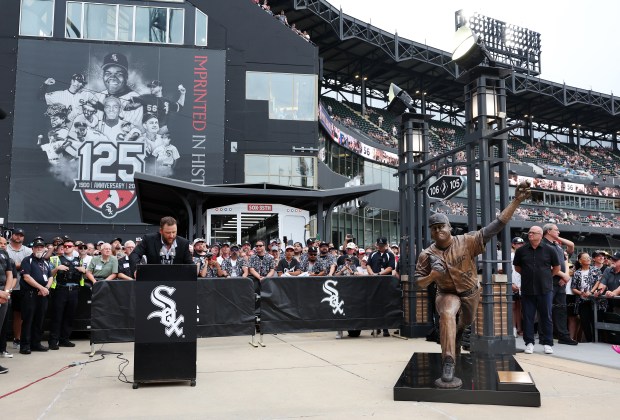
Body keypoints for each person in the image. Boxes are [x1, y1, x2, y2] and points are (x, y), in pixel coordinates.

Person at [416, 181, 531, 384]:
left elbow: (496, 226)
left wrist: (516, 201)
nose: (437, 231)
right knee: (447, 314)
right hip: (446, 292)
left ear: (449, 227)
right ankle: (448, 361)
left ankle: (459, 332)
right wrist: (433, 276)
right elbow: (419, 284)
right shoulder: (426, 254)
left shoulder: (467, 241)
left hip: (470, 292)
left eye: (441, 226)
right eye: (433, 228)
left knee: (465, 322)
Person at [513, 225, 561, 355]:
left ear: (540, 235)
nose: (530, 235)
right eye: (529, 232)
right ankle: (529, 343)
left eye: (533, 233)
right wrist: (530, 274)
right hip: (527, 289)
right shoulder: (521, 251)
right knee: (528, 317)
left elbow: (556, 267)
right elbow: (517, 267)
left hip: (545, 288)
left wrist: (546, 276)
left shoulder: (550, 250)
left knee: (546, 316)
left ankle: (547, 343)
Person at [542, 223, 578, 345]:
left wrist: (566, 277)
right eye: (556, 230)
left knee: (561, 309)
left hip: (561, 283)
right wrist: (563, 275)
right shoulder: (543, 245)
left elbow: (565, 260)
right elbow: (547, 265)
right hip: (549, 282)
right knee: (546, 309)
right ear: (548, 231)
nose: (559, 232)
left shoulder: (557, 247)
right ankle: (545, 336)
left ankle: (563, 336)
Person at [48, 238, 84, 349]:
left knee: (69, 316)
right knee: (57, 316)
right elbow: (48, 274)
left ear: (74, 248)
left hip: (74, 290)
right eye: (66, 246)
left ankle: (65, 339)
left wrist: (84, 271)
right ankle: (53, 341)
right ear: (62, 248)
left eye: (70, 246)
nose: (67, 248)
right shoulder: (55, 259)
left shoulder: (78, 260)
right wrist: (57, 268)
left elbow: (83, 275)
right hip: (60, 290)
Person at [19, 238, 53, 354]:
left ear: (44, 249)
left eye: (41, 247)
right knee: (28, 320)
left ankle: (36, 343)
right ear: (32, 249)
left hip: (43, 295)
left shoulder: (45, 262)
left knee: (40, 320)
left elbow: (51, 276)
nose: (39, 249)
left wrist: (46, 288)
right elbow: (26, 277)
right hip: (30, 294)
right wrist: (41, 288)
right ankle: (25, 345)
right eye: (37, 247)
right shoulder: (27, 260)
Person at [129, 217, 194, 275]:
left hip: (177, 280)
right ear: (161, 231)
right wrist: (137, 269)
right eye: (168, 233)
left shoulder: (184, 243)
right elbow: (135, 254)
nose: (171, 236)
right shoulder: (149, 239)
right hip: (153, 279)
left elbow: (189, 263)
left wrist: (193, 270)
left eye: (174, 232)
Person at [6, 227, 32, 350]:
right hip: (6, 286)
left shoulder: (27, 250)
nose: (18, 237)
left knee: (19, 315)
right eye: (17, 234)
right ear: (12, 235)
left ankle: (17, 338)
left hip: (22, 287)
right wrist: (19, 265)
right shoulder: (5, 247)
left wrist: (11, 265)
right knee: (4, 315)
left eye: (21, 235)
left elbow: (28, 266)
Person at [571, 252, 605, 342]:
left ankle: (598, 340)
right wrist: (580, 293)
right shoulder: (577, 273)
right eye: (585, 258)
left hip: (595, 300)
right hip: (582, 300)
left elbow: (599, 282)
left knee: (596, 320)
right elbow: (573, 287)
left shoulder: (596, 270)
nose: (588, 259)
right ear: (580, 261)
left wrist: (591, 292)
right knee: (585, 322)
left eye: (589, 257)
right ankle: (589, 340)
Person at [367, 237, 396, 337]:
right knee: (375, 305)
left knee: (385, 305)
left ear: (386, 245)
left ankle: (385, 328)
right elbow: (368, 265)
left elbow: (390, 267)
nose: (380, 247)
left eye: (382, 246)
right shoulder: (373, 254)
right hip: (374, 283)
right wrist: (372, 274)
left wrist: (379, 274)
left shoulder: (390, 255)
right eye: (379, 245)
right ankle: (376, 327)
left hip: (385, 282)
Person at [0, 237, 15, 360]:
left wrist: (6, 292)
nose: (2, 245)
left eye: (5, 243)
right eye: (0, 243)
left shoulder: (5, 255)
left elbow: (10, 275)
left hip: (4, 295)